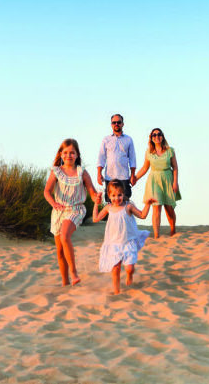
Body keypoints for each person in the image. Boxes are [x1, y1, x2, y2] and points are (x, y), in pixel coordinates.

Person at [44, 138, 97, 286]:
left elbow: (92, 191)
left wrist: (96, 197)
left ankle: (73, 273)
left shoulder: (82, 172)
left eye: (72, 153)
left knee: (65, 235)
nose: (69, 155)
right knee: (60, 250)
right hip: (58, 211)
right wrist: (53, 203)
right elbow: (47, 192)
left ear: (77, 155)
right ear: (61, 154)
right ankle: (65, 282)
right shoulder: (56, 172)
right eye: (66, 152)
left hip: (76, 209)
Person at [92, 179, 156, 295]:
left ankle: (129, 275)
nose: (117, 198)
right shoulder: (108, 208)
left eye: (119, 195)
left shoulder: (128, 207)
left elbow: (142, 215)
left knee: (129, 268)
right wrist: (96, 203)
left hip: (128, 242)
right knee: (115, 269)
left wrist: (148, 204)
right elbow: (95, 218)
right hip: (114, 244)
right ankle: (117, 291)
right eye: (113, 195)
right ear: (109, 196)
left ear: (124, 194)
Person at [135, 128, 181, 239]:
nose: (157, 136)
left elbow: (175, 167)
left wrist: (175, 182)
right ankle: (156, 235)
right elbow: (145, 168)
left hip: (168, 179)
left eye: (159, 134)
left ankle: (173, 229)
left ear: (162, 136)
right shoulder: (149, 152)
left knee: (169, 207)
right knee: (156, 207)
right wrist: (135, 178)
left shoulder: (170, 150)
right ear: (151, 138)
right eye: (154, 135)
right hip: (154, 180)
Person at [97, 114, 137, 202]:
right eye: (114, 122)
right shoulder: (106, 139)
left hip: (124, 177)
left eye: (118, 122)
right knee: (110, 203)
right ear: (111, 124)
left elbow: (132, 158)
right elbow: (101, 157)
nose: (116, 124)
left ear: (122, 124)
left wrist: (133, 175)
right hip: (109, 177)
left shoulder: (128, 139)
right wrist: (99, 173)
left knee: (125, 202)